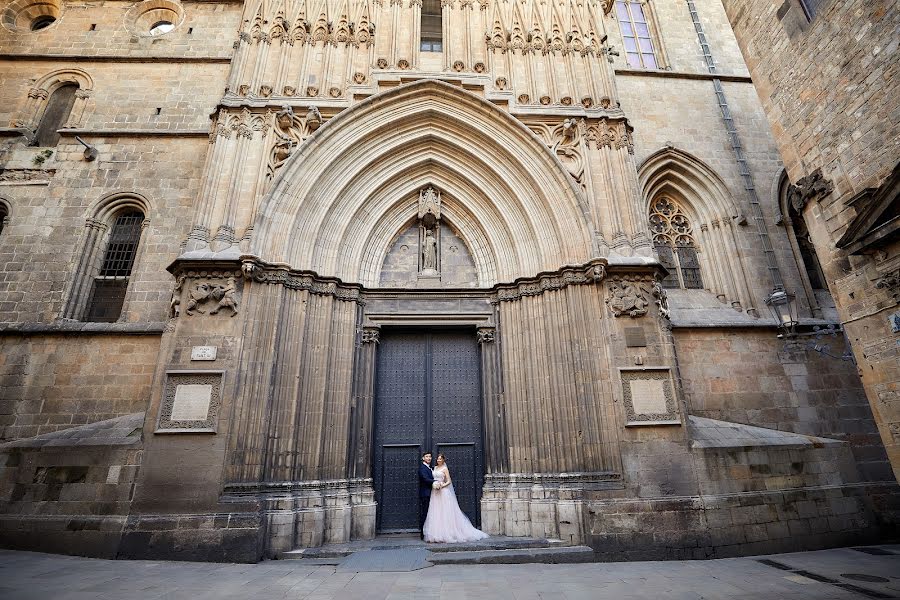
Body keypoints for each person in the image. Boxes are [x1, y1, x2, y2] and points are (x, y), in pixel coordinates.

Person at [423, 453, 489, 543]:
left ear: (443, 460)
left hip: (443, 492)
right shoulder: (434, 468)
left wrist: (442, 486)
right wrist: (435, 485)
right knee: (437, 512)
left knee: (445, 512)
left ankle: (449, 533)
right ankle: (437, 533)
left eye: (440, 459)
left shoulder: (445, 469)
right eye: (437, 459)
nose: (438, 460)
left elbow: (449, 481)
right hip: (435, 493)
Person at [417, 452, 435, 539]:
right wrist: (435, 482)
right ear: (423, 458)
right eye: (427, 456)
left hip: (432, 494)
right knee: (425, 513)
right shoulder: (422, 468)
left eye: (430, 457)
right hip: (426, 494)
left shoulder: (430, 468)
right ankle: (423, 533)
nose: (428, 458)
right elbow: (425, 479)